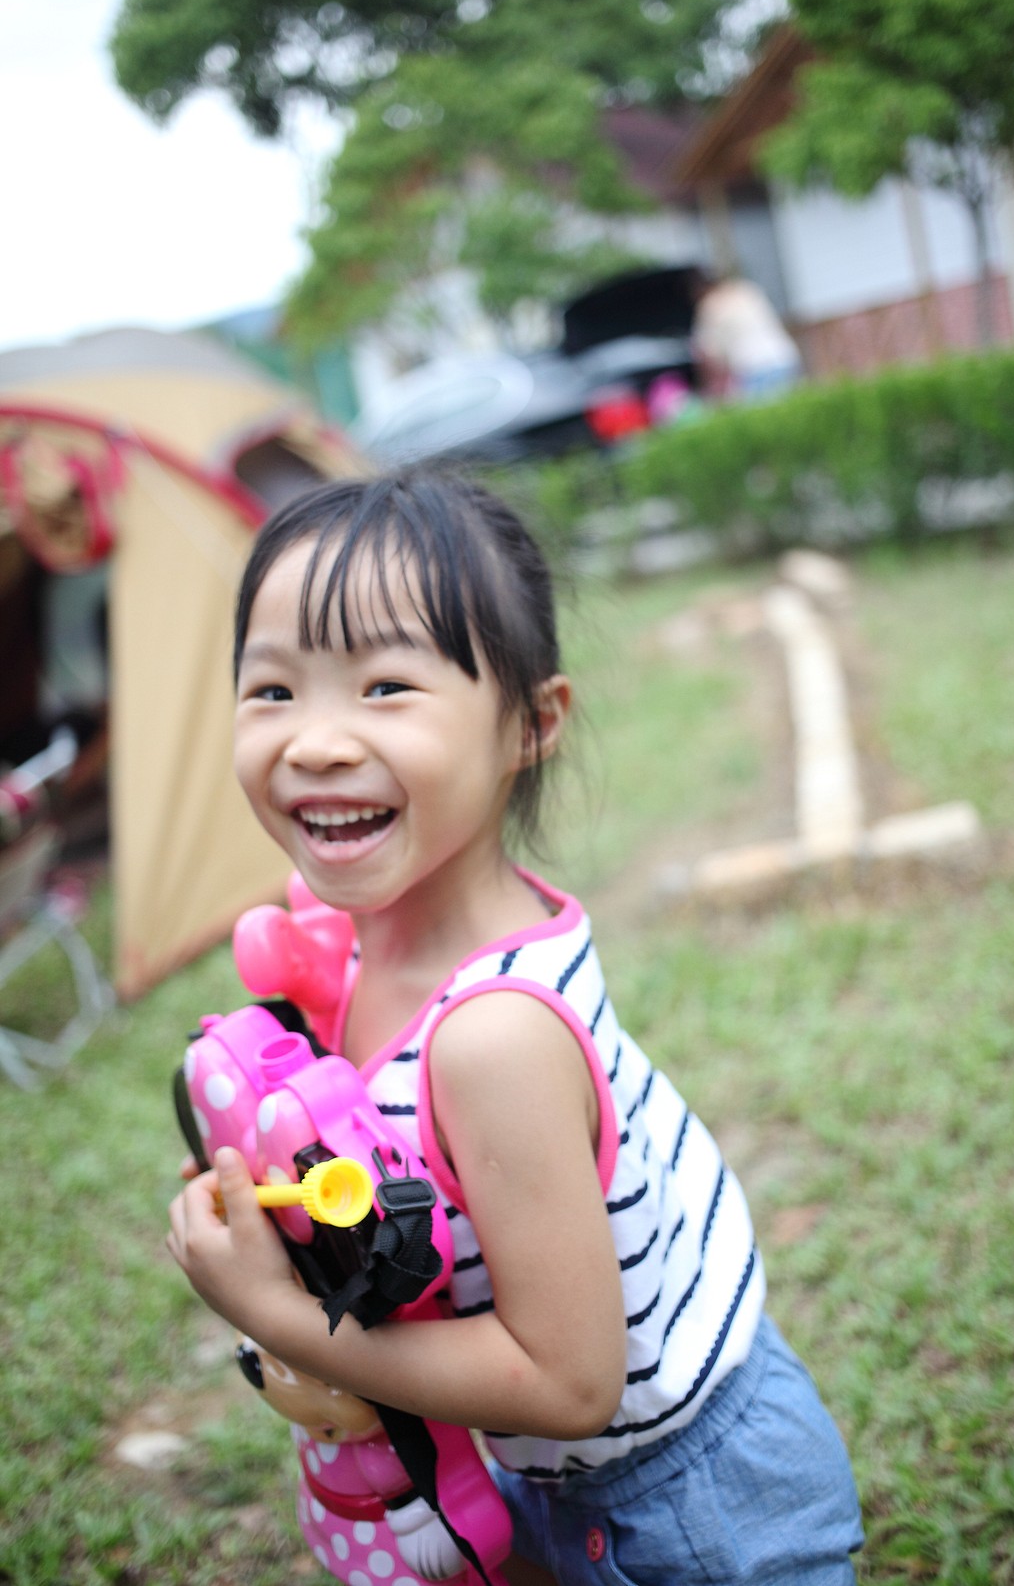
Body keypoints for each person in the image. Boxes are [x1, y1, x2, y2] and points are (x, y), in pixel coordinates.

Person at [166, 472, 863, 1585]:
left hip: (688, 1504)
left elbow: (568, 1380)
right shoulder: (369, 943)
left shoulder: (494, 1037)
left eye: (386, 686)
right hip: (549, 1477)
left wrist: (277, 1313)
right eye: (274, 689)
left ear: (531, 725)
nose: (316, 742)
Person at [691, 269, 803, 402]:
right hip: (783, 357)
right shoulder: (746, 289)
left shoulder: (709, 305)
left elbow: (707, 353)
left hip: (752, 368)